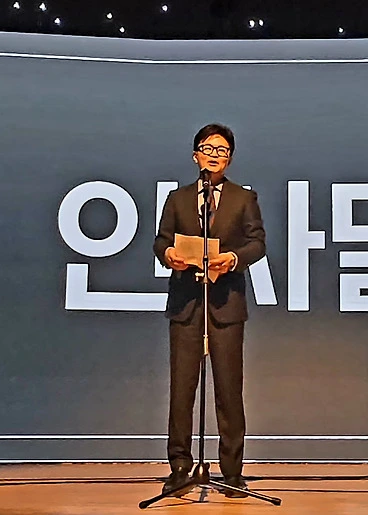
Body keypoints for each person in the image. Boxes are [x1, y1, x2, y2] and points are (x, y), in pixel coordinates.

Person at [152, 123, 266, 497]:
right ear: (195, 155)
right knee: (182, 390)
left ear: (230, 158)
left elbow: (257, 243)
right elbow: (161, 241)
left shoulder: (243, 198)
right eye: (208, 148)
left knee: (229, 391)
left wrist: (232, 259)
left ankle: (232, 472)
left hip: (226, 304)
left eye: (222, 150)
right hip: (186, 304)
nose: (215, 155)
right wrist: (170, 254)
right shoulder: (178, 199)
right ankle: (179, 467)